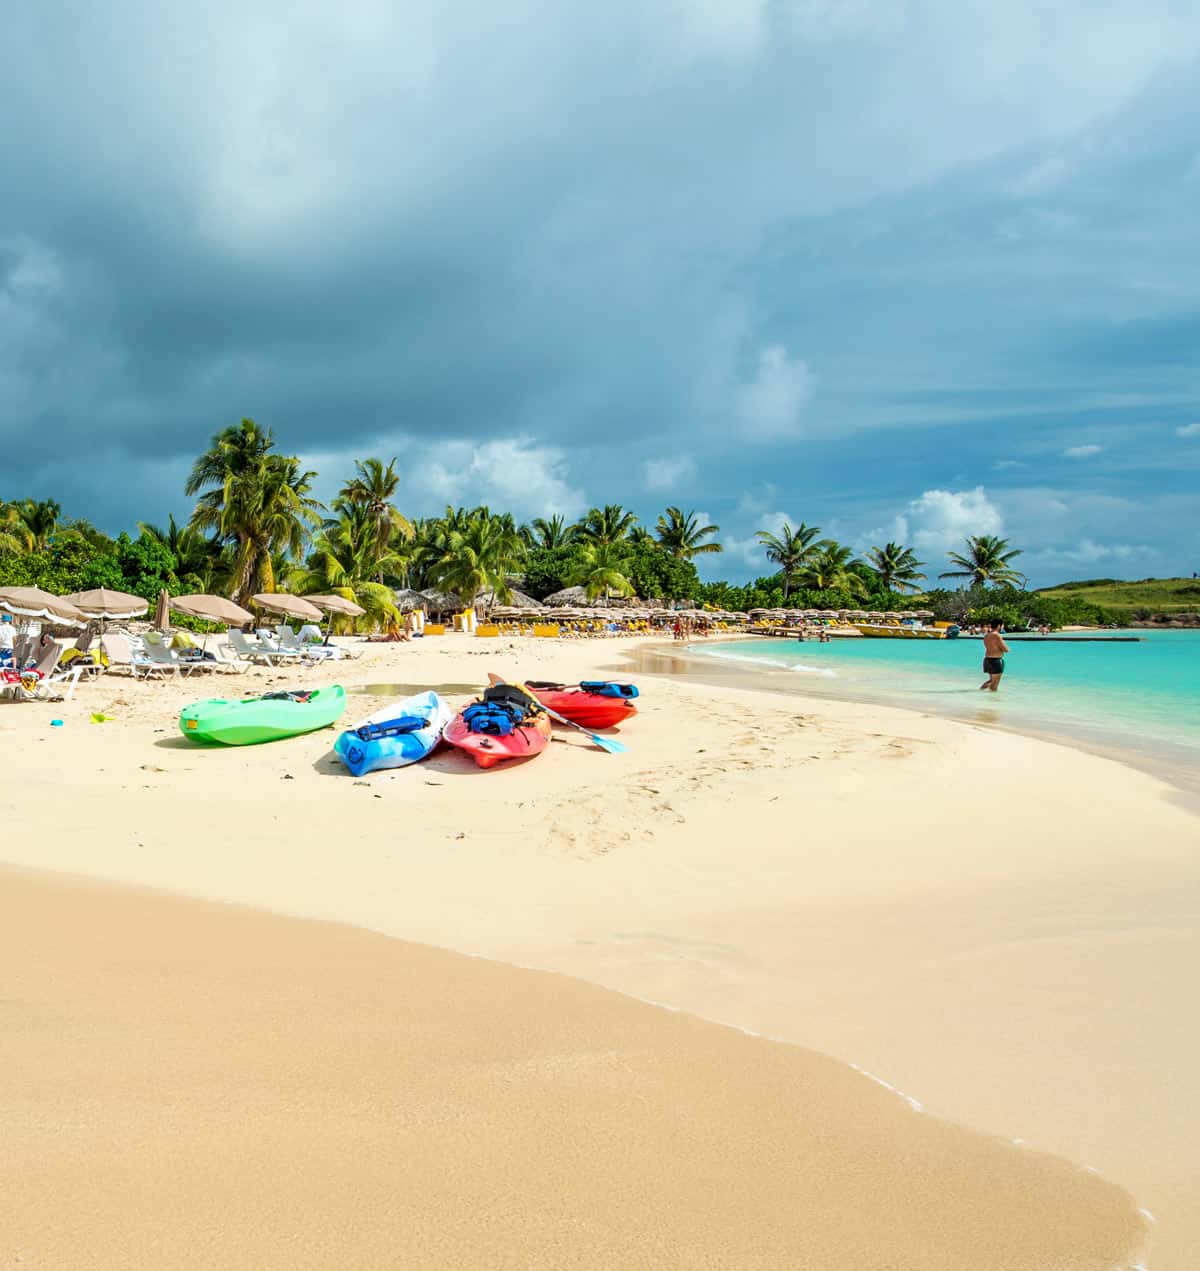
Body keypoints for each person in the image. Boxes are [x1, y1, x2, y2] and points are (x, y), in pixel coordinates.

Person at [980, 619, 1010, 692]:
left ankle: (980, 692)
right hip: (996, 660)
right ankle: (993, 701)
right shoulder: (997, 635)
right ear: (999, 626)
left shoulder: (986, 636)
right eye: (1002, 625)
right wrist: (1007, 649)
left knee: (991, 681)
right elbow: (1005, 649)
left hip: (987, 660)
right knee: (995, 684)